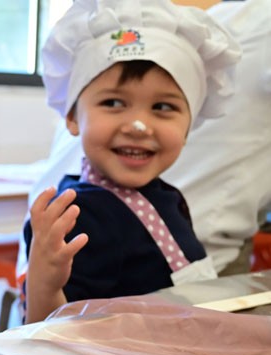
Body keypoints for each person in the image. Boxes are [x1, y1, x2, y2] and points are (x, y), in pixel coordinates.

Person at [18, 0, 271, 281]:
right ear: (72, 117)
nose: (138, 126)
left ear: (189, 125)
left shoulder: (167, 197)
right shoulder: (76, 217)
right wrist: (45, 283)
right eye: (114, 102)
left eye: (162, 107)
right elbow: (58, 310)